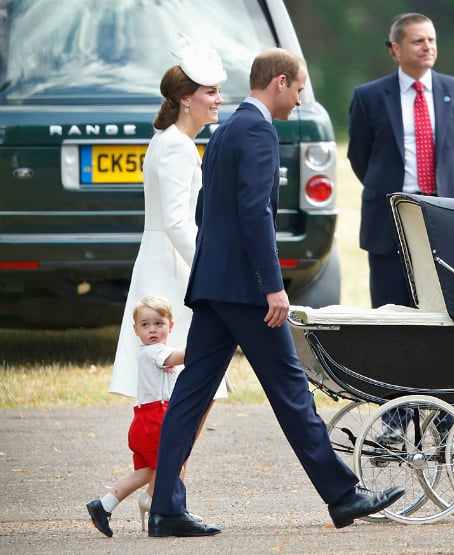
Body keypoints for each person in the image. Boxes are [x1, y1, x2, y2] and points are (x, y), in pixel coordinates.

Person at [147, 48, 405, 538]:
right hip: (246, 291)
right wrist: (272, 287)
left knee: (190, 394)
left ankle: (165, 508)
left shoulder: (224, 131)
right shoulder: (259, 130)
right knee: (290, 391)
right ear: (280, 82)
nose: (301, 101)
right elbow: (255, 214)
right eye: (300, 90)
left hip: (215, 286)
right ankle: (343, 495)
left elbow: (207, 210)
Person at [347, 13, 454, 438]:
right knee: (394, 322)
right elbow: (361, 159)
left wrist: (444, 197)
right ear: (395, 49)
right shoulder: (368, 97)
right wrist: (396, 196)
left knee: (453, 317)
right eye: (417, 41)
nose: (427, 47)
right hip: (391, 223)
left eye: (432, 40)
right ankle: (396, 420)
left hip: (445, 222)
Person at [108, 36, 231, 493]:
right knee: (194, 387)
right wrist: (210, 271)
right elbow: (180, 223)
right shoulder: (177, 147)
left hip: (161, 263)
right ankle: (166, 492)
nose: (219, 100)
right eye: (211, 92)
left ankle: (166, 489)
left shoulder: (166, 140)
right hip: (173, 270)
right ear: (186, 100)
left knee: (185, 390)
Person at [87, 296, 185, 537]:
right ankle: (170, 511)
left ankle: (104, 505)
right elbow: (179, 357)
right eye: (145, 325)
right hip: (154, 420)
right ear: (136, 330)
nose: (152, 329)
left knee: (145, 473)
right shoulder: (153, 352)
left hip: (143, 420)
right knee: (174, 464)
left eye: (159, 323)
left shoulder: (155, 351)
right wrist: (205, 344)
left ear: (170, 326)